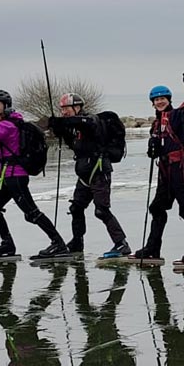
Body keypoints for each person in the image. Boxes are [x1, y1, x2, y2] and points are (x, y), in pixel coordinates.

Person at [0, 89, 68, 258]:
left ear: (6, 106)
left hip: (16, 177)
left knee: (32, 213)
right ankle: (7, 245)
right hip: (6, 177)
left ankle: (58, 244)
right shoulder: (5, 122)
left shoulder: (8, 125)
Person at [133, 72, 184, 263]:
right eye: (156, 100)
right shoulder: (156, 124)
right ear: (152, 103)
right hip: (165, 172)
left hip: (179, 170)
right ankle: (152, 249)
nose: (160, 102)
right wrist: (152, 149)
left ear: (169, 100)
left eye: (163, 99)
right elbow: (156, 150)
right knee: (157, 208)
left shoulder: (177, 116)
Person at [48, 93, 129, 257]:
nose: (64, 112)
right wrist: (59, 129)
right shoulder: (75, 129)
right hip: (84, 176)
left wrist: (63, 121)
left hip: (99, 173)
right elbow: (76, 145)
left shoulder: (91, 120)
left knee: (101, 210)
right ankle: (77, 243)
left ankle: (122, 244)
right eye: (62, 109)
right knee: (76, 208)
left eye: (66, 109)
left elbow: (85, 122)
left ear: (77, 107)